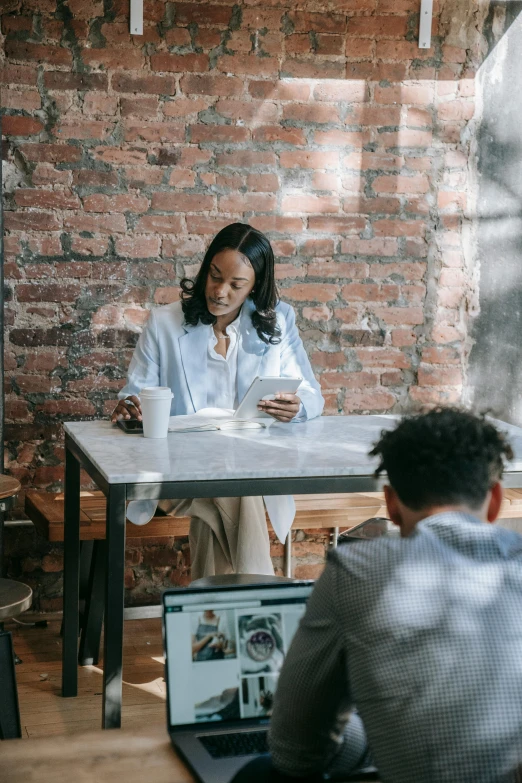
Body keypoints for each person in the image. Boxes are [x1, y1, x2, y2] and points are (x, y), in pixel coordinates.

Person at [233, 408, 522, 783]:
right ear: (496, 501)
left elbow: (295, 749)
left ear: (391, 504)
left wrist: (385, 727)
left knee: (259, 774)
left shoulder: (355, 572)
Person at [111, 223, 324, 578]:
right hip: (176, 472)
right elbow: (135, 392)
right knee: (238, 491)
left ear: (255, 286)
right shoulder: (164, 323)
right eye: (214, 276)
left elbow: (313, 395)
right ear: (205, 269)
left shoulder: (278, 321)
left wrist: (297, 405)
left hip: (249, 469)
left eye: (237, 285)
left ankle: (213, 626)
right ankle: (260, 608)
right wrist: (130, 406)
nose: (220, 291)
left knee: (224, 501)